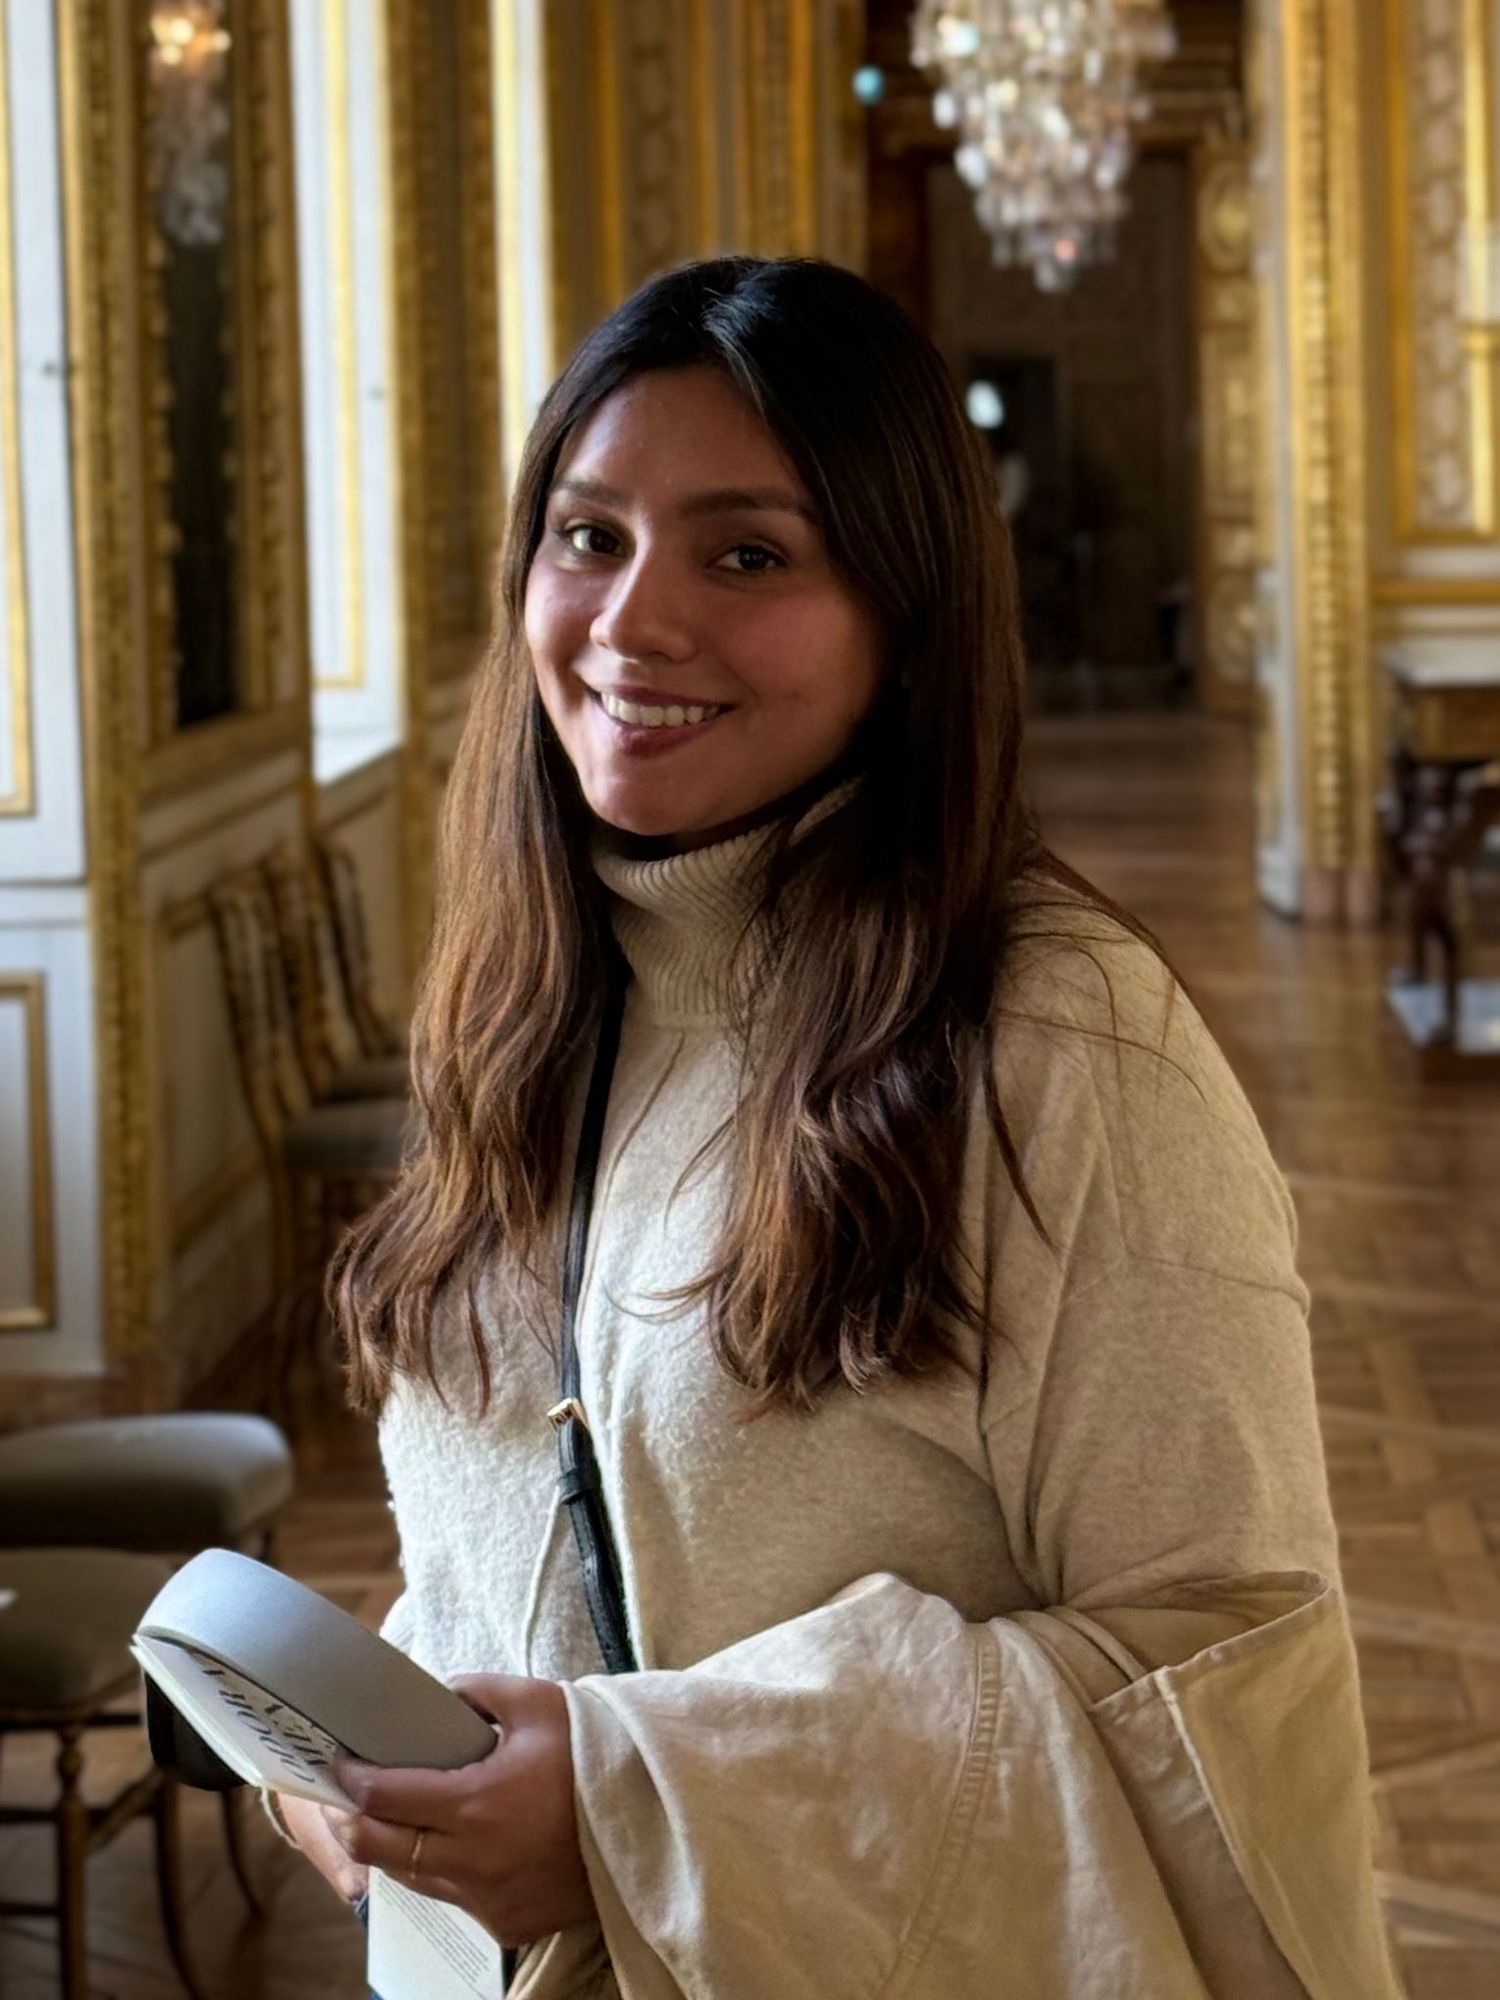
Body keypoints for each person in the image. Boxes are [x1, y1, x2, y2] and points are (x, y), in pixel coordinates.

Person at [273, 256, 1401, 1998]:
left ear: (905, 614)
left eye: (747, 556)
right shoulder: (524, 1004)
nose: (635, 621)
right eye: (588, 537)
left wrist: (647, 1810)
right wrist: (376, 1736)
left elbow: (1222, 1673)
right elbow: (543, 1532)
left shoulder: (1063, 1046)